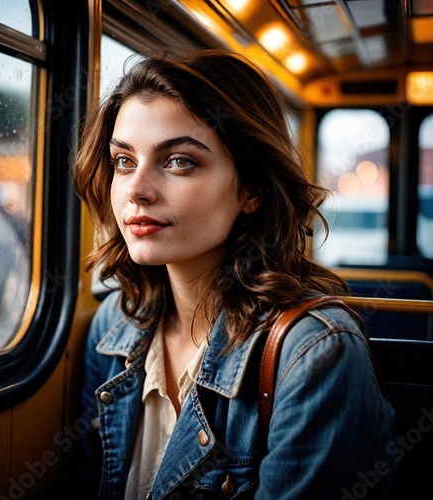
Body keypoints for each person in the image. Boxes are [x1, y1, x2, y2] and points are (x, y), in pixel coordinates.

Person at [72, 49, 397, 499]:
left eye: (179, 161)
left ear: (251, 188)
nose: (136, 190)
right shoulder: (114, 326)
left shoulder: (315, 355)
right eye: (124, 161)